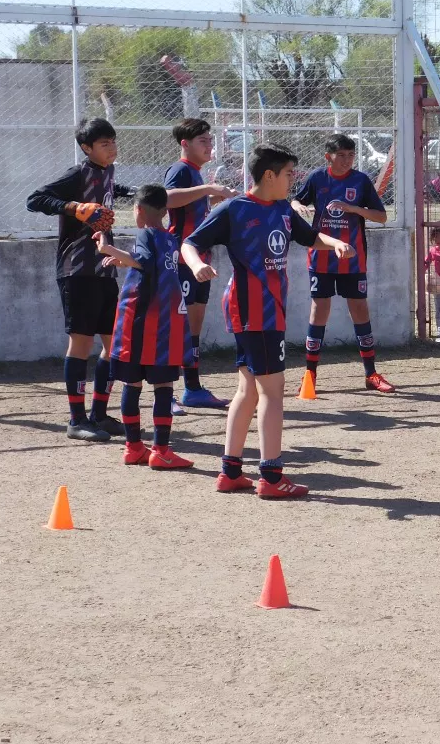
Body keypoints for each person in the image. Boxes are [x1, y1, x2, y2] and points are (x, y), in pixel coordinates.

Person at [182, 143, 354, 499]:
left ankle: (230, 472)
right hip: (253, 311)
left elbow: (309, 238)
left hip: (267, 310)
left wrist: (334, 241)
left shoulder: (282, 210)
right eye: (289, 173)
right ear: (269, 175)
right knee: (272, 393)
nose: (294, 179)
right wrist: (198, 265)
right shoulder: (235, 210)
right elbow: (189, 243)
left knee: (246, 390)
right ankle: (272, 477)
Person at [26, 118, 133, 442]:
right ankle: (76, 420)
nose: (111, 148)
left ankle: (99, 413)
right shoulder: (78, 174)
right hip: (77, 270)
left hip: (104, 269)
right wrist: (75, 207)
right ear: (87, 148)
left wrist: (142, 194)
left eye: (113, 142)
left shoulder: (108, 172)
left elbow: (117, 191)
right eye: (104, 144)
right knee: (82, 343)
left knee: (114, 342)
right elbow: (35, 199)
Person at [93, 184, 192, 470]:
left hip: (138, 323)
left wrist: (106, 248)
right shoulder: (171, 239)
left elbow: (145, 262)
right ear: (165, 211)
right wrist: (126, 261)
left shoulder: (145, 234)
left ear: (137, 210)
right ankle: (160, 449)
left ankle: (134, 447)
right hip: (166, 325)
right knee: (163, 385)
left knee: (132, 384)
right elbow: (151, 266)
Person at [292, 133, 395, 395]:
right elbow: (295, 200)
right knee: (319, 310)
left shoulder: (360, 181)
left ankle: (371, 373)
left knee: (359, 310)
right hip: (322, 257)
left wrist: (355, 209)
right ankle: (310, 374)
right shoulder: (317, 178)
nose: (347, 160)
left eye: (351, 155)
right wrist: (297, 207)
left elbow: (381, 216)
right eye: (342, 155)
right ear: (329, 157)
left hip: (353, 258)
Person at [164, 118, 237, 411]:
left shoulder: (197, 174)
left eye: (210, 140)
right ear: (185, 144)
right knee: (174, 328)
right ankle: (164, 394)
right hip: (181, 262)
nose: (210, 145)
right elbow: (166, 199)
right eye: (203, 141)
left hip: (199, 262)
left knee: (192, 330)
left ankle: (192, 389)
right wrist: (208, 189)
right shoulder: (181, 170)